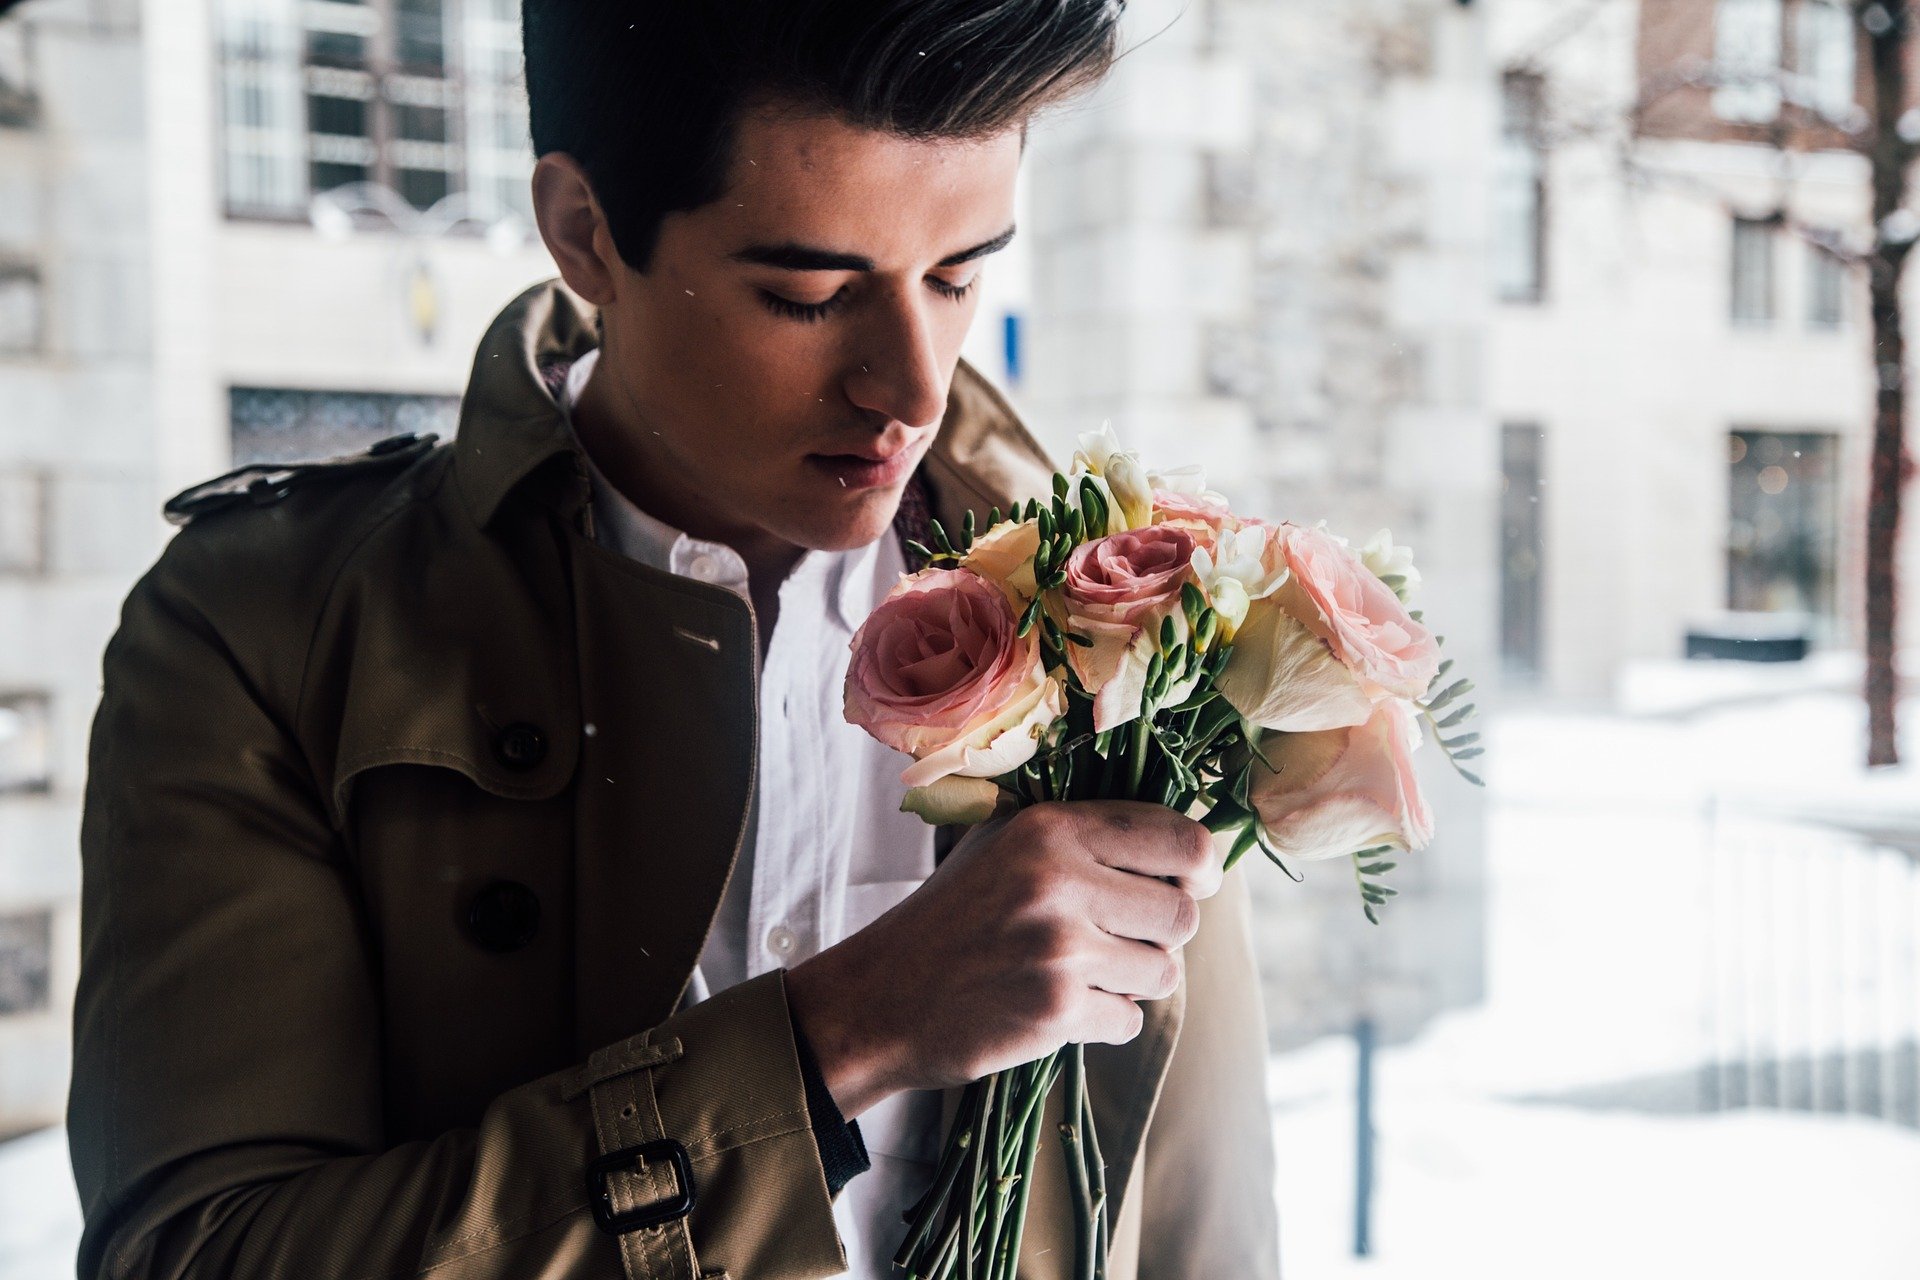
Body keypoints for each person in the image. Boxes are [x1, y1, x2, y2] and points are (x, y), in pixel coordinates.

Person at [67, 2, 1281, 1277]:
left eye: (961, 274)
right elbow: (194, 1252)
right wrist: (838, 1034)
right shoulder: (272, 628)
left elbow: (1204, 1219)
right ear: (586, 234)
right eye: (809, 295)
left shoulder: (1138, 621)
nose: (914, 388)